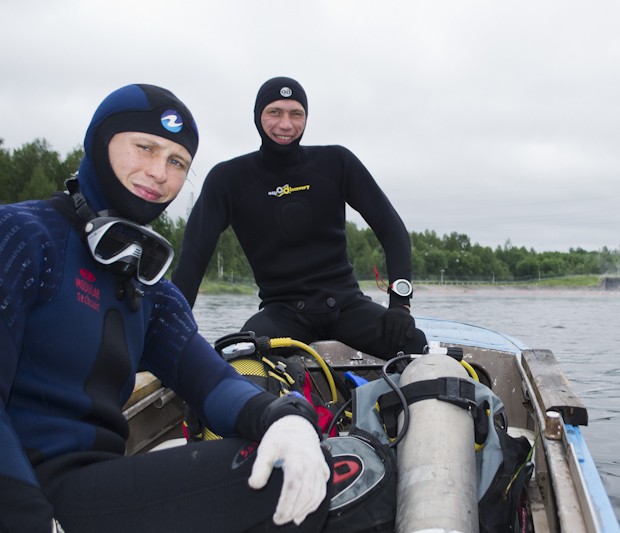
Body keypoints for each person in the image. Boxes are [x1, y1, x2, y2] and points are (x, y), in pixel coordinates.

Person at [0, 84, 331, 533]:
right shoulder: (22, 235)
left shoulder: (148, 285)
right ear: (100, 142)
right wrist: (27, 519)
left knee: (303, 463)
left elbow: (212, 383)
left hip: (91, 486)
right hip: (25, 489)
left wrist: (285, 419)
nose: (159, 172)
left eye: (177, 162)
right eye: (145, 148)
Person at [172, 76, 427, 359]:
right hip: (282, 312)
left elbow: (392, 230)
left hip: (346, 305)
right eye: (275, 112)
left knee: (413, 342)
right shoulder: (229, 179)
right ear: (258, 117)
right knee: (244, 354)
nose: (286, 124)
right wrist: (171, 327)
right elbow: (193, 258)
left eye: (296, 114)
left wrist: (399, 304)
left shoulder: (336, 162)